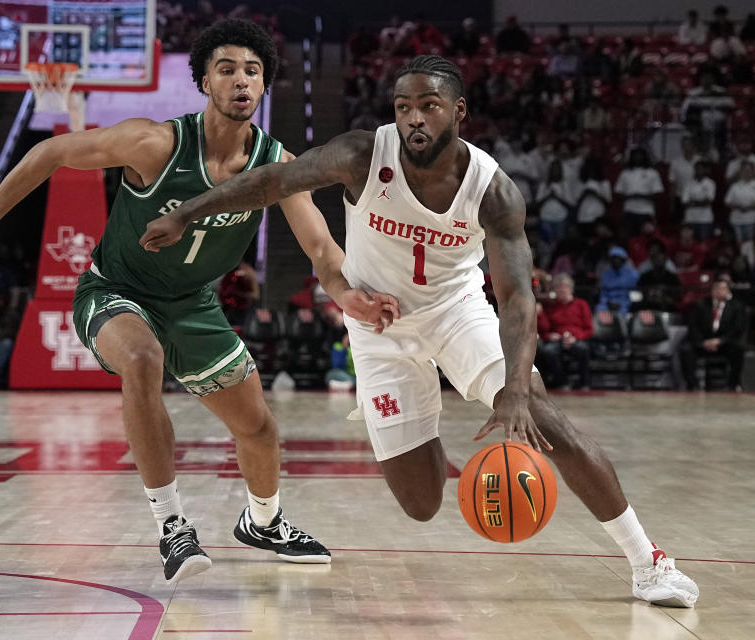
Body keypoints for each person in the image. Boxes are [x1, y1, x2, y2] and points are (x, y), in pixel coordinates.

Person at [142, 54, 698, 608]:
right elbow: (273, 180)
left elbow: (517, 299)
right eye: (403, 106)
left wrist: (516, 392)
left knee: (541, 416)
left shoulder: (492, 189)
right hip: (379, 326)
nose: (414, 118)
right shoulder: (363, 153)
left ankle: (649, 562)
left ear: (458, 111)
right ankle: (419, 407)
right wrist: (186, 212)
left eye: (428, 106)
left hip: (458, 313)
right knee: (422, 503)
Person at [0, 19, 400, 584]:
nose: (240, 81)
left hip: (192, 303)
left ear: (265, 85)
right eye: (226, 69)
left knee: (258, 429)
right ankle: (172, 523)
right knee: (142, 360)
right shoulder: (154, 142)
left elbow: (321, 248)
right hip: (116, 290)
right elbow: (52, 152)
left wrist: (347, 293)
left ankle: (265, 521)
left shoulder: (277, 165)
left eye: (252, 71)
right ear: (204, 82)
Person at [680, 275, 747, 391]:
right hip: (703, 342)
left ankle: (733, 384)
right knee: (686, 349)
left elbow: (737, 328)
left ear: (728, 291)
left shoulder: (736, 306)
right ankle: (693, 385)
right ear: (712, 290)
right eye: (718, 288)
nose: (721, 291)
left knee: (739, 348)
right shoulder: (700, 305)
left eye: (724, 288)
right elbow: (693, 326)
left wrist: (720, 341)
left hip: (724, 343)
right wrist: (703, 342)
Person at [537, 274, 592, 390]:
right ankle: (562, 382)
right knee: (548, 351)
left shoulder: (581, 304)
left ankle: (584, 383)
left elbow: (589, 329)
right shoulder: (551, 307)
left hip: (576, 338)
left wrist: (575, 338)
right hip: (558, 339)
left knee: (583, 348)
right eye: (558, 287)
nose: (561, 290)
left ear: (571, 289)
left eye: (564, 287)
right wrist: (548, 334)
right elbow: (544, 329)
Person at [596, 246, 640, 314]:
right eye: (613, 258)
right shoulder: (605, 275)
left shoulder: (633, 274)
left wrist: (626, 303)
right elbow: (603, 294)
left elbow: (635, 293)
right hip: (608, 304)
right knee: (599, 310)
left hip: (626, 303)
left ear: (624, 260)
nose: (616, 260)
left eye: (619, 258)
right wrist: (608, 302)